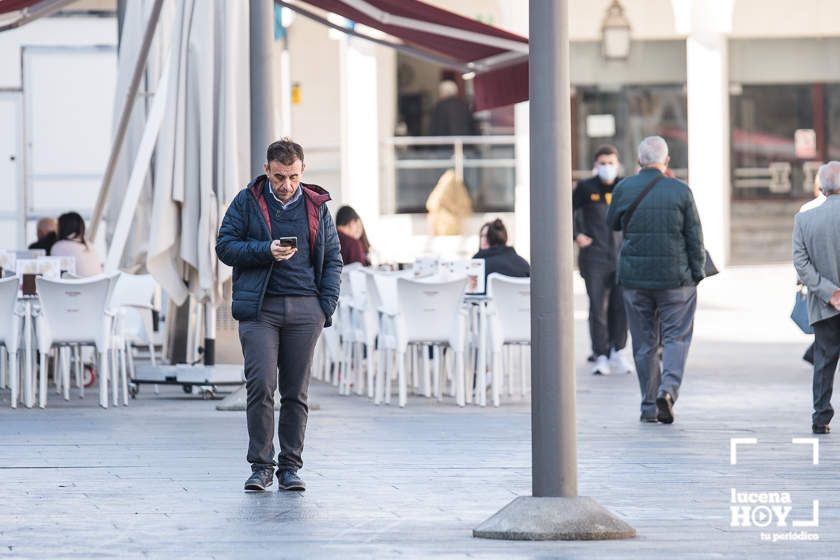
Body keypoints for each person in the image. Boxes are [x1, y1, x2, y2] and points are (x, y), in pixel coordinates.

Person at [215, 138, 342, 491]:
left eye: (293, 177)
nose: (285, 185)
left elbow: (333, 258)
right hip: (260, 309)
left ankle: (290, 467)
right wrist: (264, 250)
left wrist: (324, 306)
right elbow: (225, 247)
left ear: (302, 172)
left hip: (306, 308)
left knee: (296, 392)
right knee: (259, 385)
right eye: (279, 178)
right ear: (266, 171)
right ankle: (260, 466)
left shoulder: (317, 207)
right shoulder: (247, 202)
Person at [606, 136, 705, 424]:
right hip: (676, 280)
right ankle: (668, 390)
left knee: (644, 343)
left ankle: (649, 405)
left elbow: (611, 223)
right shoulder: (680, 190)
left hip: (635, 280)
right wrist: (696, 273)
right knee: (676, 337)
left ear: (639, 161)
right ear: (667, 161)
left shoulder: (624, 188)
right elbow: (694, 237)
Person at [573, 145, 633, 376]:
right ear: (596, 165)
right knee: (597, 307)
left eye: (611, 163)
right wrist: (577, 234)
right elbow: (566, 212)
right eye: (603, 163)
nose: (607, 167)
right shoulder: (586, 188)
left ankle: (618, 350)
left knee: (621, 307)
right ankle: (600, 354)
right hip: (594, 258)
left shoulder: (624, 186)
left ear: (617, 164)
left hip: (620, 257)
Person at [793, 161, 840, 435]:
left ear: (821, 186)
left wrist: (829, 291)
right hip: (828, 299)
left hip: (823, 304)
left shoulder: (804, 219)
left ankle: (820, 416)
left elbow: (801, 263)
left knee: (823, 360)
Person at [472, 218, 530, 288]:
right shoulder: (523, 264)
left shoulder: (477, 265)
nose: (484, 239)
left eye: (486, 236)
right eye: (482, 236)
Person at [50, 212, 102, 277]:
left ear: (62, 228)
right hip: (96, 285)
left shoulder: (59, 246)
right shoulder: (89, 245)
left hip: (74, 286)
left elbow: (53, 273)